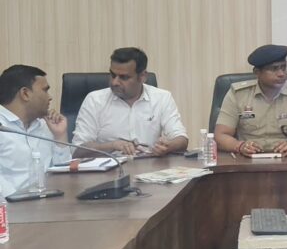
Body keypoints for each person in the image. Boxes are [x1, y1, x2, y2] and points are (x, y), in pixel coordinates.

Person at [72, 47, 188, 156]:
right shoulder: (94, 100)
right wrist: (112, 145)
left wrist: (168, 146)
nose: (115, 82)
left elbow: (181, 139)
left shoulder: (162, 98)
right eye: (112, 75)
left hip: (149, 166)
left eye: (124, 77)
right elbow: (77, 150)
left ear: (142, 76)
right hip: (111, 167)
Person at [214, 45, 287, 157]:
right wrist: (240, 146)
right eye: (274, 69)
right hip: (248, 160)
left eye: (284, 67)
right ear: (257, 72)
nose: (281, 74)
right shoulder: (238, 94)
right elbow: (221, 135)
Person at [0, 65, 71, 196]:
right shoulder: (2, 127)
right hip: (11, 205)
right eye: (45, 90)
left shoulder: (45, 126)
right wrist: (17, 201)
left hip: (50, 202)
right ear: (25, 94)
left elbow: (64, 175)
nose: (50, 97)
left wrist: (60, 137)